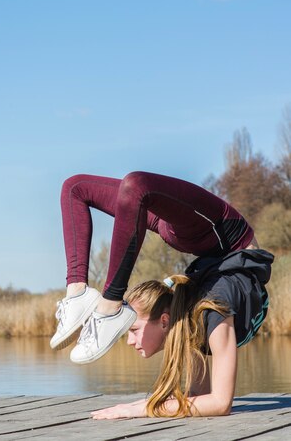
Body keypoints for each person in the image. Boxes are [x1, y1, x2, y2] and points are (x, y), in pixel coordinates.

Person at [50, 171, 274, 417]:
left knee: (119, 187)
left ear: (165, 320)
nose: (130, 341)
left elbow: (220, 404)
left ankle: (104, 303)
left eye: (133, 330)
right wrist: (137, 406)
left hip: (220, 241)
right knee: (79, 187)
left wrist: (140, 409)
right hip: (218, 242)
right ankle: (80, 295)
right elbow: (204, 399)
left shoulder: (207, 313)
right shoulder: (199, 317)